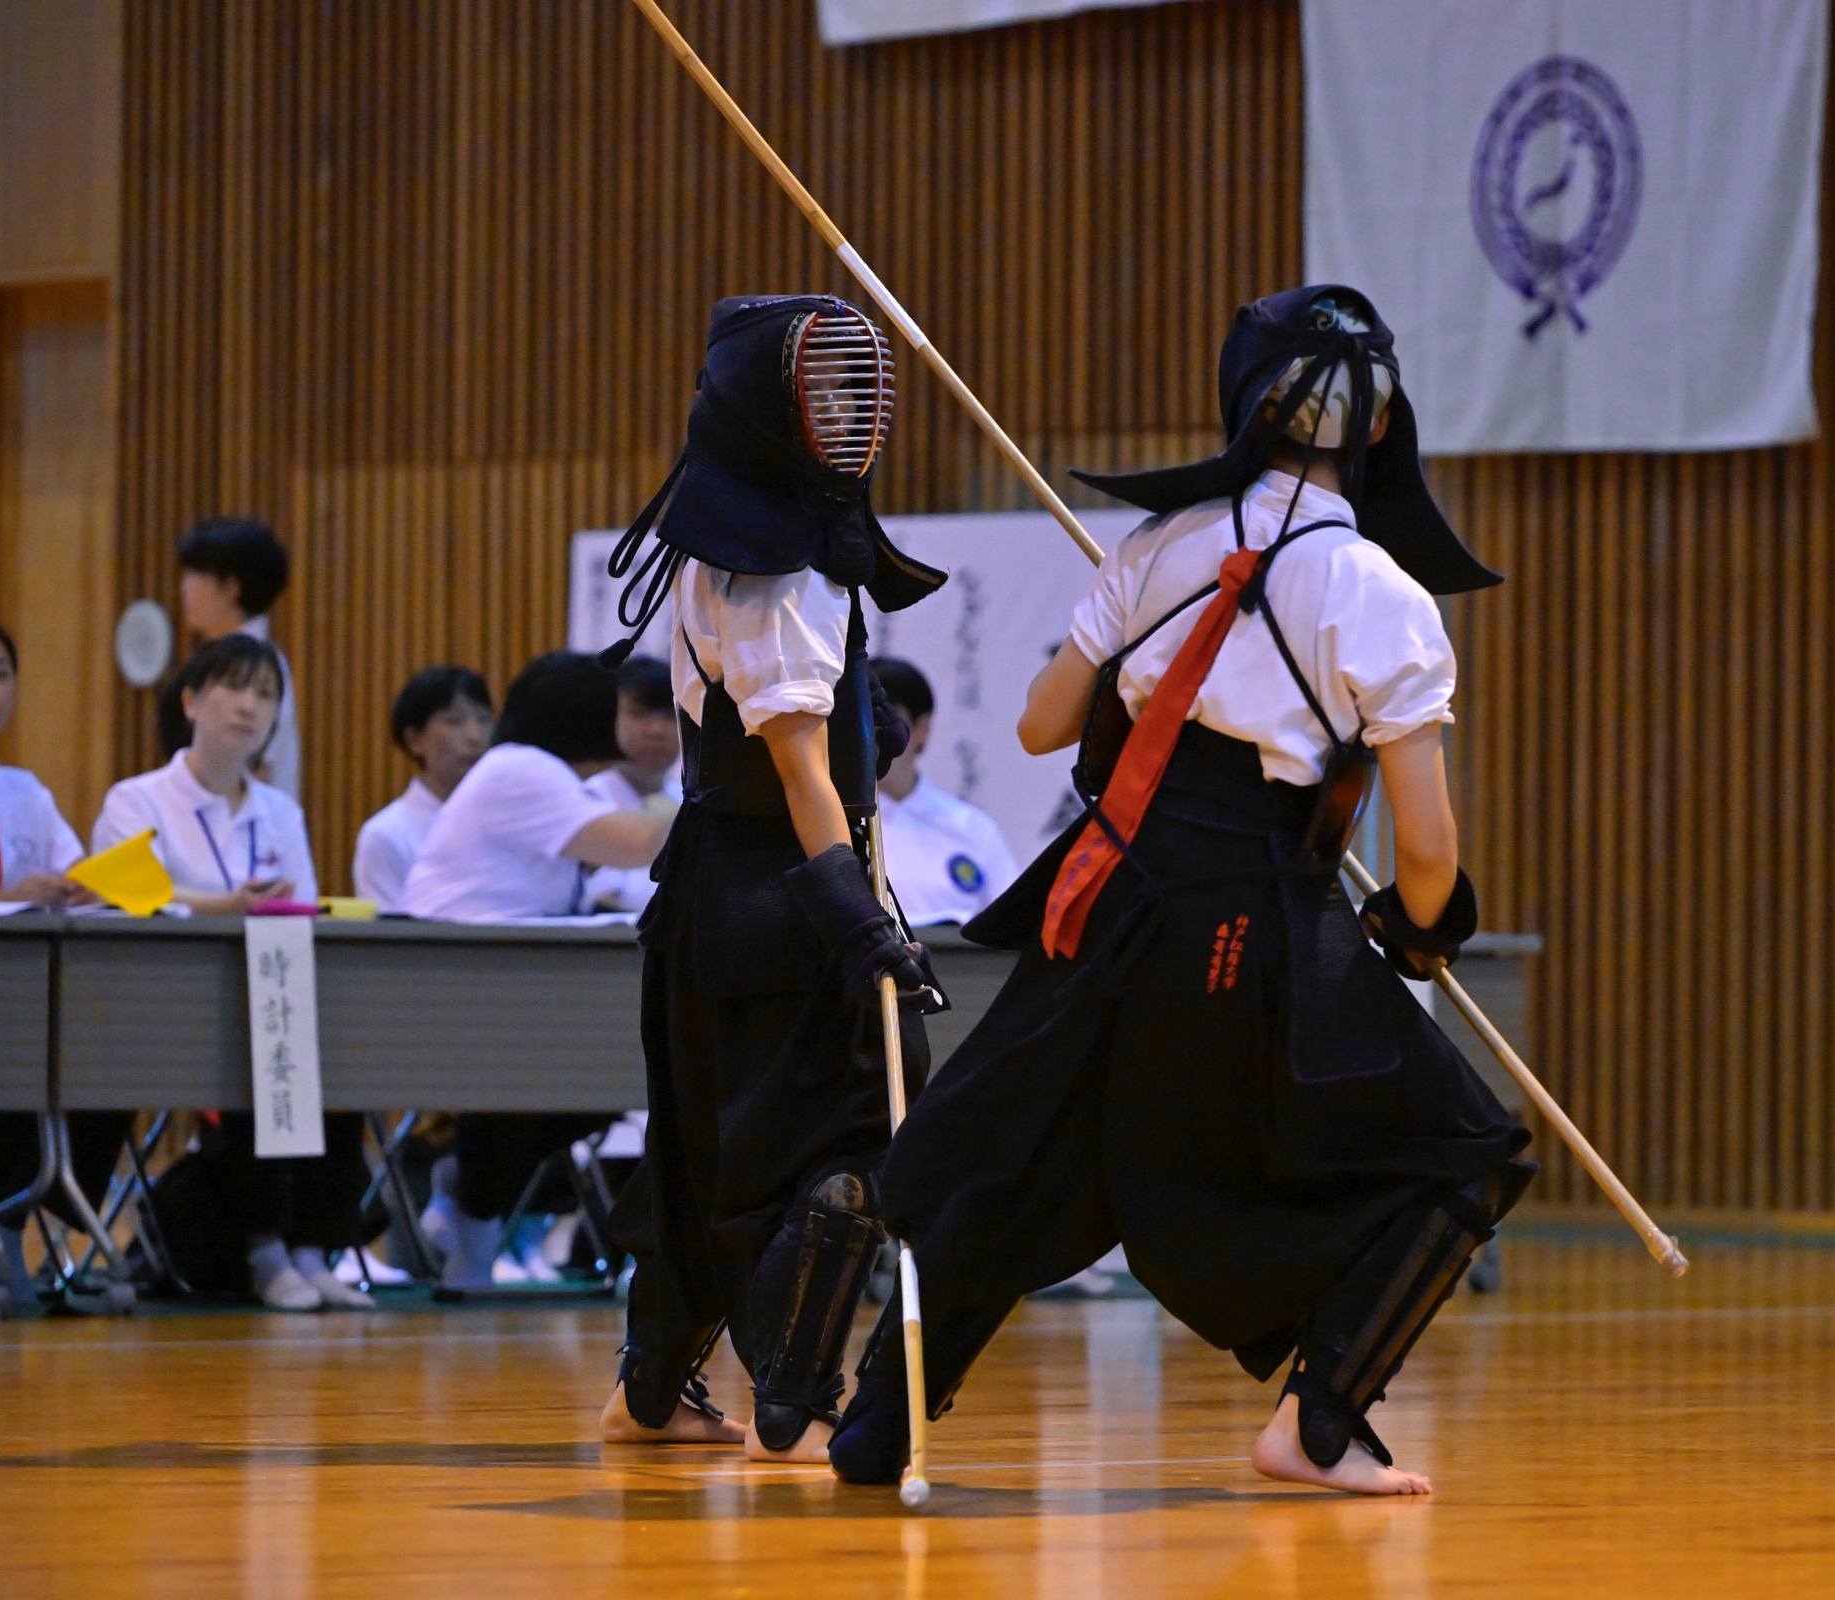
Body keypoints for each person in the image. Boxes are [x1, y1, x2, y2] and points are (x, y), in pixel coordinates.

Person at [829, 286, 1533, 1497]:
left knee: (1022, 1162)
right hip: (1249, 916)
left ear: (1247, 403)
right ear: (1378, 426)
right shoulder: (1381, 592)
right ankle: (1317, 1425)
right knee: (1474, 1150)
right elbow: (1426, 855)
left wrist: (1138, 626)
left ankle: (872, 1429)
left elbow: (1043, 724)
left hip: (1106, 896)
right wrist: (1417, 934)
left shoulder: (1159, 545)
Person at [595, 293, 943, 1461]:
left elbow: (807, 734)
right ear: (764, 408)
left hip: (717, 893)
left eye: (854, 392)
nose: (847, 415)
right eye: (822, 392)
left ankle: (652, 1390)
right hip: (779, 890)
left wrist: (868, 725)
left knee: (706, 1144)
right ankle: (793, 1395)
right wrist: (857, 922)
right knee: (861, 1124)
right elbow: (799, 770)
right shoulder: (773, 574)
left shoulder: (748, 553)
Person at [94, 634, 371, 1310]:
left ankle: (314, 1249)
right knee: (255, 1046)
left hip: (269, 991)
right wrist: (223, 906)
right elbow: (126, 896)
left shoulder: (281, 812)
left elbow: (301, 911)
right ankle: (265, 1249)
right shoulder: (136, 801)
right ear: (191, 701)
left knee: (339, 1045)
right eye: (235, 687)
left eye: (266, 695)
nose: (250, 706)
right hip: (164, 1009)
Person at [399, 652, 674, 1292]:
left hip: (497, 980)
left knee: (610, 1081)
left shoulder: (538, 774)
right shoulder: (522, 769)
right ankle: (471, 1203)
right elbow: (637, 844)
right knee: (573, 1081)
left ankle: (468, 1199)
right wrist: (687, 794)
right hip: (450, 981)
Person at [0, 623, 112, 1311]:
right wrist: (9, 895)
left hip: (26, 999)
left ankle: (12, 1221)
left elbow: (76, 871)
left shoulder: (27, 794)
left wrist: (78, 886)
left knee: (107, 1057)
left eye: (1, 673)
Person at [869, 657, 1020, 926]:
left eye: (887, 723)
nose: (875, 738)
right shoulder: (833, 824)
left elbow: (1012, 928)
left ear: (922, 728)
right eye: (865, 722)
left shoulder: (973, 829)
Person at [351, 667, 493, 908]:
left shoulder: (506, 820)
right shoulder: (387, 835)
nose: (475, 736)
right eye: (454, 721)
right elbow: (386, 928)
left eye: (484, 720)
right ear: (414, 740)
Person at [179, 517, 300, 799]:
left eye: (195, 575)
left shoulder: (258, 668)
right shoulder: (217, 658)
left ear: (230, 589)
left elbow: (255, 768)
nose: (184, 587)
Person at [584, 656, 682, 916]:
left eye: (670, 715)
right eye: (640, 714)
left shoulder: (687, 800)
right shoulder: (587, 798)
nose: (656, 730)